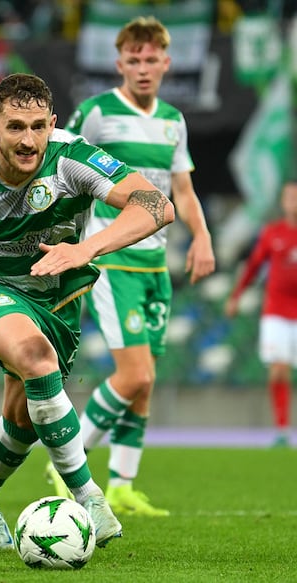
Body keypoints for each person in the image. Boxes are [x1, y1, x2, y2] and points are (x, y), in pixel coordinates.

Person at [0, 72, 174, 549]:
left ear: (53, 124)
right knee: (36, 360)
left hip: (57, 299)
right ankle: (89, 498)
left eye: (39, 126)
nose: (28, 140)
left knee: (23, 420)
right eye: (16, 126)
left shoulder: (72, 160)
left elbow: (156, 204)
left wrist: (89, 249)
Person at [45, 16, 216, 517]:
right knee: (134, 375)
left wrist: (202, 234)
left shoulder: (173, 122)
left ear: (166, 63)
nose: (142, 68)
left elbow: (181, 189)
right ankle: (66, 463)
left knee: (146, 381)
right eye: (133, 60)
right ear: (119, 64)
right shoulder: (97, 113)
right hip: (113, 259)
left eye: (151, 59)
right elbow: (64, 161)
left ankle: (122, 484)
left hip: (155, 265)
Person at [225, 181, 297, 448]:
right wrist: (235, 297)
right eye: (290, 197)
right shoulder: (272, 232)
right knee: (279, 370)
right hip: (276, 311)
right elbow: (253, 266)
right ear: (283, 201)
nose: (293, 202)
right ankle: (282, 429)